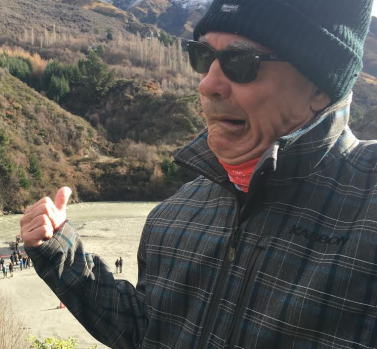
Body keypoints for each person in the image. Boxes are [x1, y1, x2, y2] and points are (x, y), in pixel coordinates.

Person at [20, 1, 377, 348]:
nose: (207, 85)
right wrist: (59, 252)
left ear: (320, 86)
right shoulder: (173, 216)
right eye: (203, 58)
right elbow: (149, 331)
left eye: (241, 62)